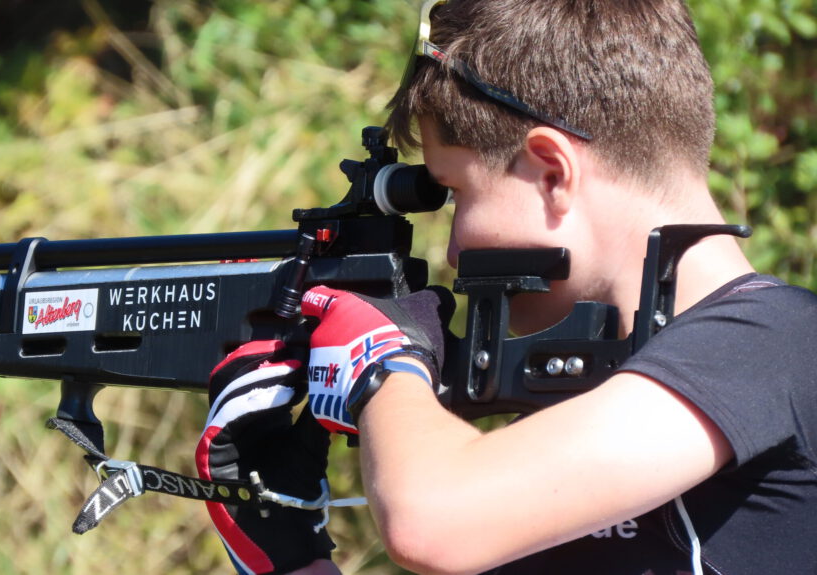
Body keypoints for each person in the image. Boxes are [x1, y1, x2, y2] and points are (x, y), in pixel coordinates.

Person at [197, 1, 817, 573]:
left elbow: (435, 523)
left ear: (551, 173)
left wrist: (382, 364)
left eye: (459, 192)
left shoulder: (776, 343)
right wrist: (286, 549)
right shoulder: (596, 398)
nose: (453, 249)